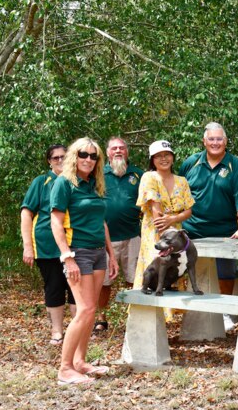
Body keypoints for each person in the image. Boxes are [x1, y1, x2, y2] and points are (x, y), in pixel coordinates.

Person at [50, 137, 119, 385]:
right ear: (73, 156)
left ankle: (80, 362)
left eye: (93, 156)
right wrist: (67, 257)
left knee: (90, 313)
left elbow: (101, 221)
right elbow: (56, 222)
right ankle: (65, 369)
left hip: (99, 252)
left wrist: (110, 253)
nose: (88, 159)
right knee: (85, 309)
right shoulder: (64, 183)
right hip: (78, 253)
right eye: (83, 154)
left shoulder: (94, 185)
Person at [179, 122, 238, 330]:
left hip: (225, 233)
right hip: (192, 231)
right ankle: (195, 311)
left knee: (226, 274)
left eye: (219, 139)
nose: (215, 143)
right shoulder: (190, 163)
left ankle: (225, 312)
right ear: (204, 141)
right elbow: (179, 193)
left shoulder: (235, 166)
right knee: (186, 271)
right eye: (211, 139)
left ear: (226, 141)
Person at [132, 141, 195, 321]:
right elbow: (155, 209)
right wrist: (164, 226)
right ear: (152, 160)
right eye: (158, 156)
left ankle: (167, 316)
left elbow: (189, 210)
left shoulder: (182, 181)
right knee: (156, 265)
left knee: (174, 267)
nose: (164, 159)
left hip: (176, 231)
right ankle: (149, 315)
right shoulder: (149, 177)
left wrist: (173, 220)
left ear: (173, 157)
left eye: (167, 154)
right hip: (156, 229)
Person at [21, 144, 76, 346]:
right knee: (54, 287)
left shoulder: (79, 180)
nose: (61, 160)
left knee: (75, 287)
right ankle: (57, 331)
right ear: (49, 161)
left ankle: (77, 331)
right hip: (47, 245)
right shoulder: (41, 182)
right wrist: (28, 246)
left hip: (75, 243)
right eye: (56, 158)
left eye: (64, 157)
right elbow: (26, 213)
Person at [95, 137, 144, 332]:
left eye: (122, 148)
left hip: (133, 235)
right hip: (105, 239)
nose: (118, 151)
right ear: (107, 153)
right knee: (104, 282)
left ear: (127, 152)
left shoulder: (139, 175)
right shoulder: (98, 174)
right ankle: (101, 318)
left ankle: (136, 317)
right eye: (114, 148)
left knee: (135, 279)